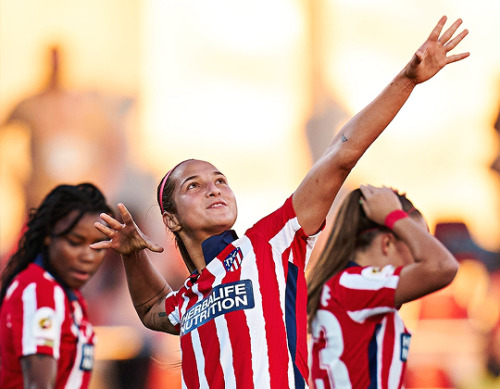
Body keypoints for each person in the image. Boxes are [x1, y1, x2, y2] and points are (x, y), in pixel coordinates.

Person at [92, 16, 469, 388]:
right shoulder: (188, 301)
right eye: (194, 185)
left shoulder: (268, 244)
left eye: (221, 180)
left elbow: (340, 154)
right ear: (171, 220)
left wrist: (406, 80)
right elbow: (151, 309)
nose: (215, 188)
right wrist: (131, 253)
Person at [307, 185, 459, 388]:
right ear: (387, 243)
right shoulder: (354, 285)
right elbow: (442, 266)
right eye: (415, 243)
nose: (422, 255)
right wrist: (394, 216)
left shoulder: (350, 288)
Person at [0, 183, 114, 389]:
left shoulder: (67, 295)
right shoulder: (39, 290)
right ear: (47, 236)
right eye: (74, 242)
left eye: (98, 246)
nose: (87, 256)